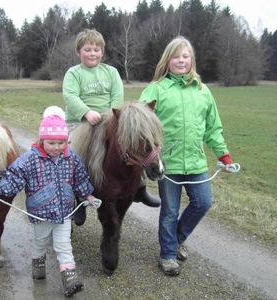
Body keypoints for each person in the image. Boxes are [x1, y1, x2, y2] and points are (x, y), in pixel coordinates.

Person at [139, 36, 235, 276]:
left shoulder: (203, 91)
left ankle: (175, 238)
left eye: (185, 56)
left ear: (191, 59)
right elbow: (140, 122)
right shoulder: (156, 89)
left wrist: (223, 154)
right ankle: (168, 255)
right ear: (167, 60)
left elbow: (213, 127)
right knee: (169, 211)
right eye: (176, 56)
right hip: (167, 163)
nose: (181, 60)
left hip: (196, 161)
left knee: (203, 202)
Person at [0, 106, 97, 297]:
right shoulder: (30, 159)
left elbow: (80, 179)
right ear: (42, 140)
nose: (57, 147)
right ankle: (38, 262)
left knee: (64, 245)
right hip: (40, 213)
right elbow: (14, 176)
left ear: (66, 141)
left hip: (64, 213)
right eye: (52, 143)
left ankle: (70, 279)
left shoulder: (71, 158)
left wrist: (87, 194)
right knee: (41, 242)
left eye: (61, 143)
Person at [62, 29, 160, 226]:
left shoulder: (111, 72)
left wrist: (112, 115)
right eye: (87, 49)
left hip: (109, 120)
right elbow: (70, 96)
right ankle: (78, 199)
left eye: (96, 49)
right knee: (72, 156)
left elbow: (117, 97)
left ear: (102, 51)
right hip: (81, 121)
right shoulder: (74, 73)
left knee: (134, 148)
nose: (92, 53)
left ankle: (139, 187)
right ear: (78, 52)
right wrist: (87, 112)